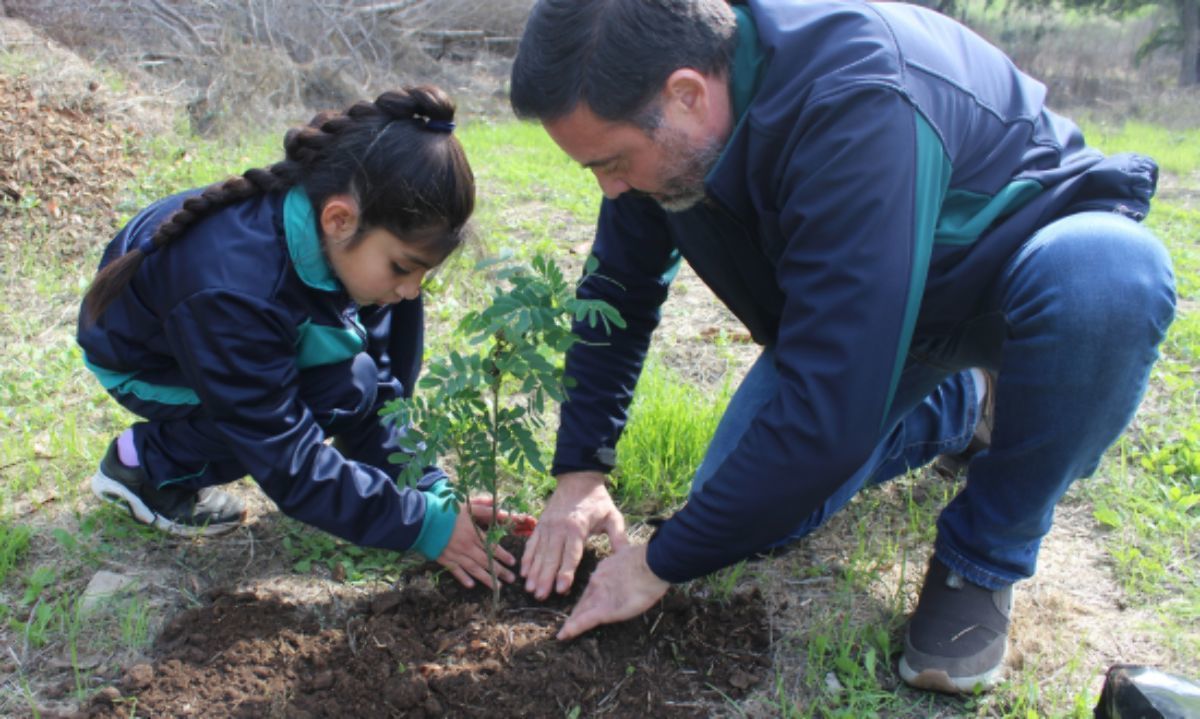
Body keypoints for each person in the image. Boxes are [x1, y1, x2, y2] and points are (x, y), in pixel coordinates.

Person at [509, 0, 1176, 694]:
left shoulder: (855, 98)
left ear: (685, 94)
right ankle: (969, 399)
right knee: (745, 511)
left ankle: (982, 560)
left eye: (613, 161)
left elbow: (828, 413)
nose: (609, 187)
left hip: (1004, 279)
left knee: (1108, 279)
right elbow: (618, 290)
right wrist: (581, 469)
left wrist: (656, 562)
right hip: (869, 320)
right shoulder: (668, 132)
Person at [78, 86, 522, 591]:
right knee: (332, 395)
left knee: (354, 382)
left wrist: (426, 490)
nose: (411, 289)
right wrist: (419, 526)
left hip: (228, 335)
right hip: (148, 363)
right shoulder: (235, 292)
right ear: (339, 220)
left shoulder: (352, 250)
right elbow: (286, 456)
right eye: (403, 267)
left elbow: (378, 383)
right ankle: (144, 465)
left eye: (423, 272)